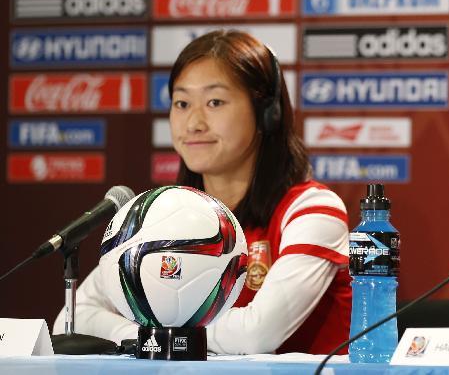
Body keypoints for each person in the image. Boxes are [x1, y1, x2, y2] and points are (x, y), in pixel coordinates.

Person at [53, 29, 351, 355]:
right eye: (182, 103)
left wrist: (157, 339)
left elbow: (255, 337)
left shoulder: (313, 210)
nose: (193, 123)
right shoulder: (162, 216)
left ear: (268, 114)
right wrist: (151, 337)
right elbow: (72, 319)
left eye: (214, 102)